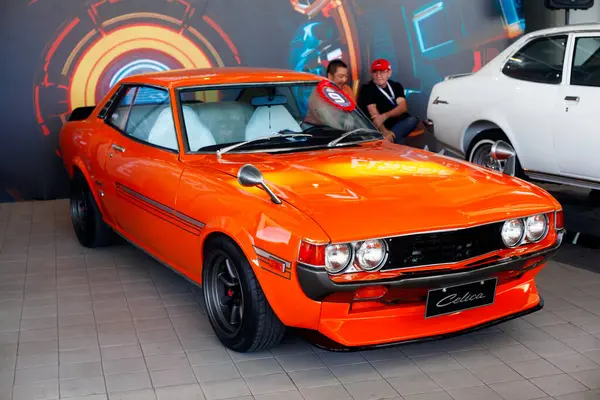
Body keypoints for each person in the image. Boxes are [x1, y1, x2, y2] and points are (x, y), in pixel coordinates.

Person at [358, 58, 419, 144]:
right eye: (375, 72)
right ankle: (391, 140)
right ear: (372, 74)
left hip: (398, 122)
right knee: (397, 137)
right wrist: (384, 131)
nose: (378, 76)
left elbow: (403, 107)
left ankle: (389, 139)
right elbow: (375, 116)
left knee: (412, 120)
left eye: (382, 72)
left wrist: (384, 116)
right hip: (380, 126)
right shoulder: (367, 88)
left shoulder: (396, 85)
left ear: (389, 73)